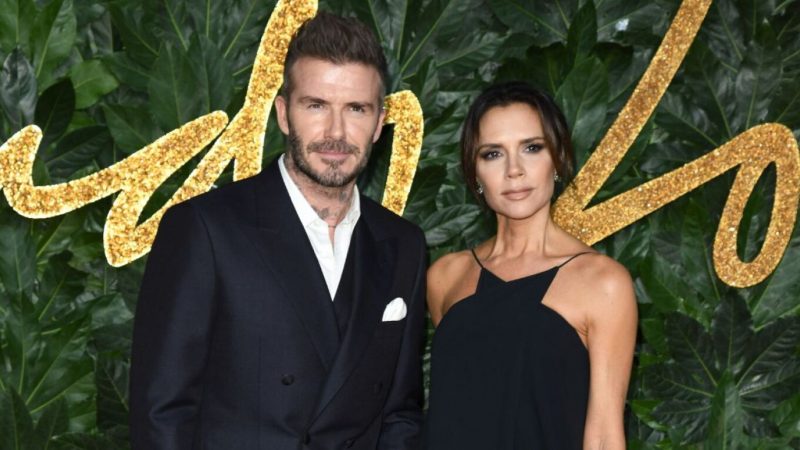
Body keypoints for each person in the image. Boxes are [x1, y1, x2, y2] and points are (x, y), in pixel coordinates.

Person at [130, 13, 427, 450]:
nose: (336, 132)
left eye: (356, 109)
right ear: (284, 114)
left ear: (380, 121)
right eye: (316, 105)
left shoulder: (403, 244)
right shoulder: (205, 229)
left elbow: (399, 413)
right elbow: (162, 414)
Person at [424, 81, 637, 449]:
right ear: (474, 172)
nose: (514, 170)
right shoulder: (446, 276)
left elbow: (604, 436)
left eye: (532, 148)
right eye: (493, 154)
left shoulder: (603, 283)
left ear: (558, 158)